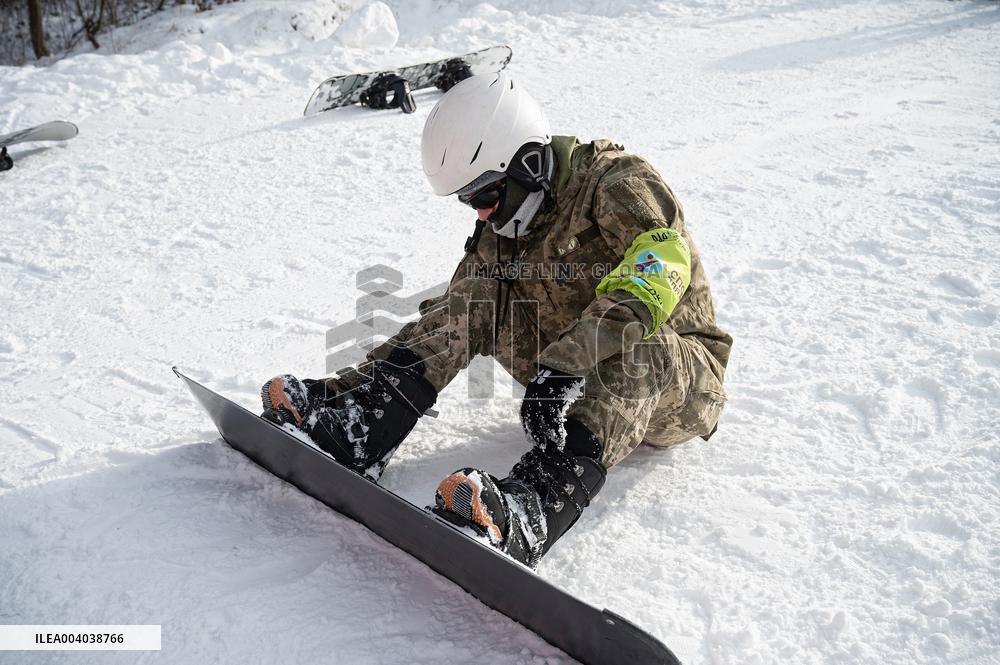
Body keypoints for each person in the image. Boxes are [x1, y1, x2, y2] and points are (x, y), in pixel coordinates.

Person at [260, 72, 732, 568]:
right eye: (470, 202)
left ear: (528, 163)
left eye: (486, 196)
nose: (482, 214)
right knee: (475, 296)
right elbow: (452, 310)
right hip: (567, 374)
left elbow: (655, 273)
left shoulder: (618, 183)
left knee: (638, 340)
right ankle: (360, 422)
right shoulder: (509, 221)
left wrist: (569, 361)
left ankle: (527, 512)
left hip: (679, 381)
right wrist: (356, 383)